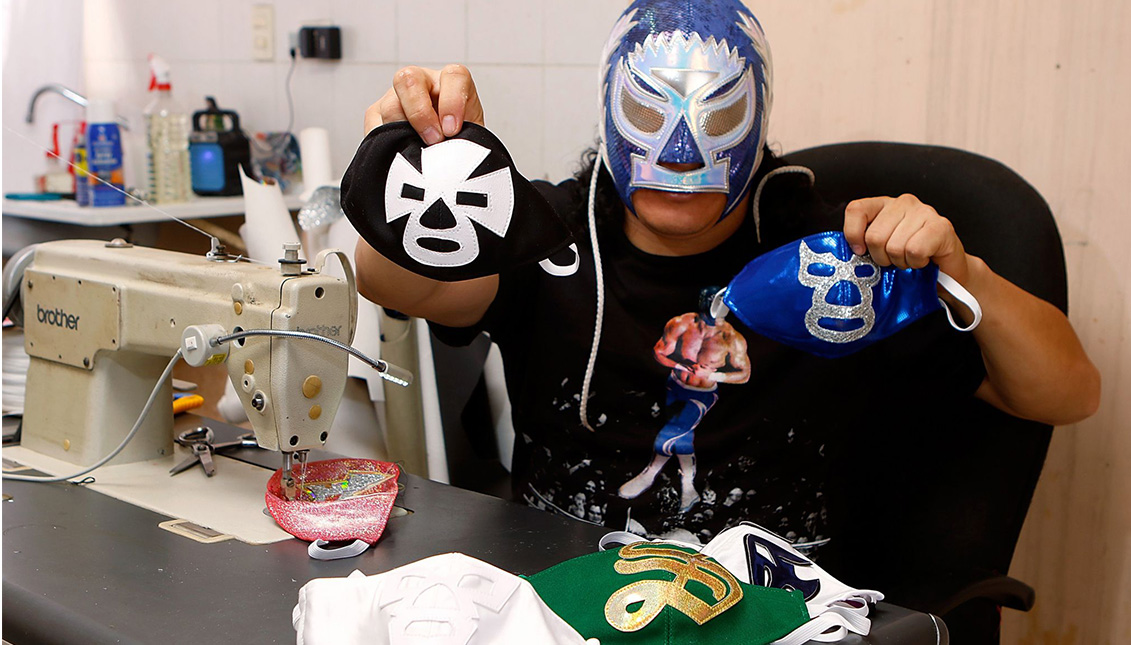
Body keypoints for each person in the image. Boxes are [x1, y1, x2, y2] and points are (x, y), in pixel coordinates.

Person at [353, 0, 1099, 549]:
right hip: (559, 599)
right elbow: (394, 283)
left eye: (716, 118)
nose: (680, 155)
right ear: (610, 107)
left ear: (759, 114)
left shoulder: (835, 256)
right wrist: (410, 177)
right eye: (649, 113)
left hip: (779, 611)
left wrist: (964, 273)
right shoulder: (547, 233)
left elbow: (1067, 391)